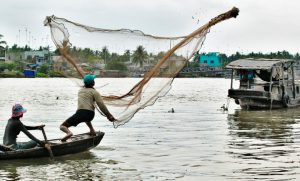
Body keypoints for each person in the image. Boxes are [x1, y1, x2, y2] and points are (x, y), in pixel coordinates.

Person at [60, 74, 116, 142]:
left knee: (62, 126)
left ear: (84, 83)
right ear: (93, 83)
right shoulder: (95, 92)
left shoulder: (80, 91)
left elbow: (84, 111)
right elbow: (101, 105)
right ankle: (92, 130)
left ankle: (69, 133)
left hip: (80, 113)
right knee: (86, 117)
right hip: (90, 115)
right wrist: (109, 115)